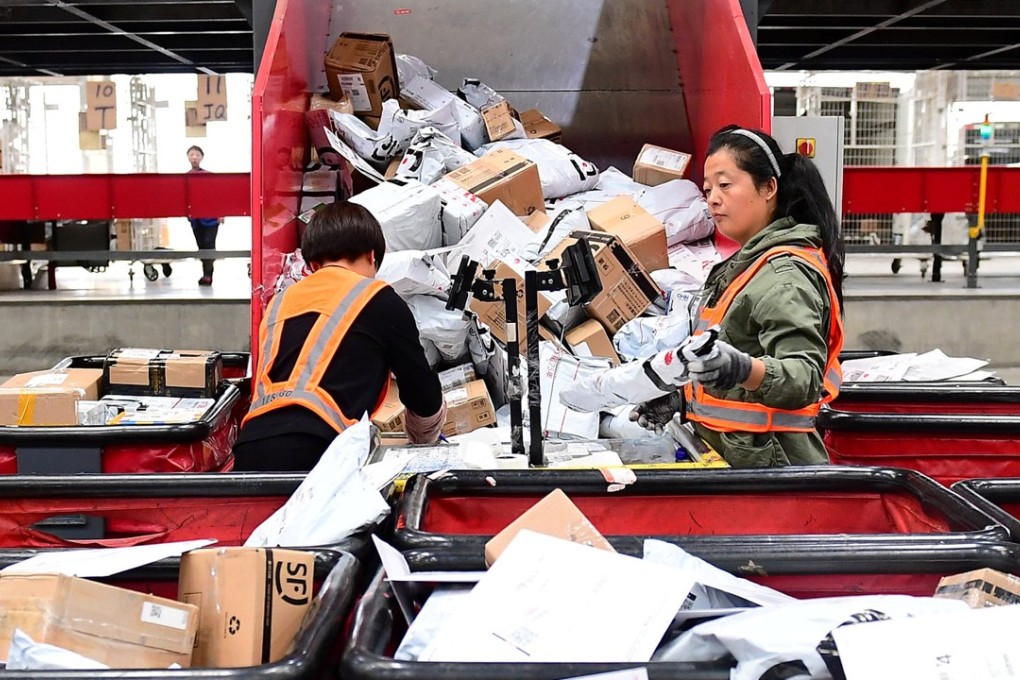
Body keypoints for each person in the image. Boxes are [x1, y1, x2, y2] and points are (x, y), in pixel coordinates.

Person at [630, 125, 846, 467]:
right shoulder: (747, 267)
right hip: (740, 460)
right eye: (707, 189)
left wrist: (742, 368)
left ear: (768, 188)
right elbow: (737, 372)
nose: (713, 198)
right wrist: (682, 400)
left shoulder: (784, 276)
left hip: (774, 470)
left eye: (725, 185)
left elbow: (802, 377)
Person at [232, 202, 446, 471]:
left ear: (312, 264)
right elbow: (422, 394)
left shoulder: (278, 303)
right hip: (318, 452)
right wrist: (425, 439)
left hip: (249, 448)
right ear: (371, 257)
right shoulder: (378, 297)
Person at [186, 145, 222, 286]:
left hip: (210, 218)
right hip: (196, 219)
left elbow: (217, 196)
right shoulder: (186, 177)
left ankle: (208, 274)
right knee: (201, 246)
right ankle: (205, 273)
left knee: (209, 244)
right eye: (191, 155)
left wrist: (220, 213)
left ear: (201, 157)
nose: (194, 157)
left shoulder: (208, 176)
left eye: (197, 155)